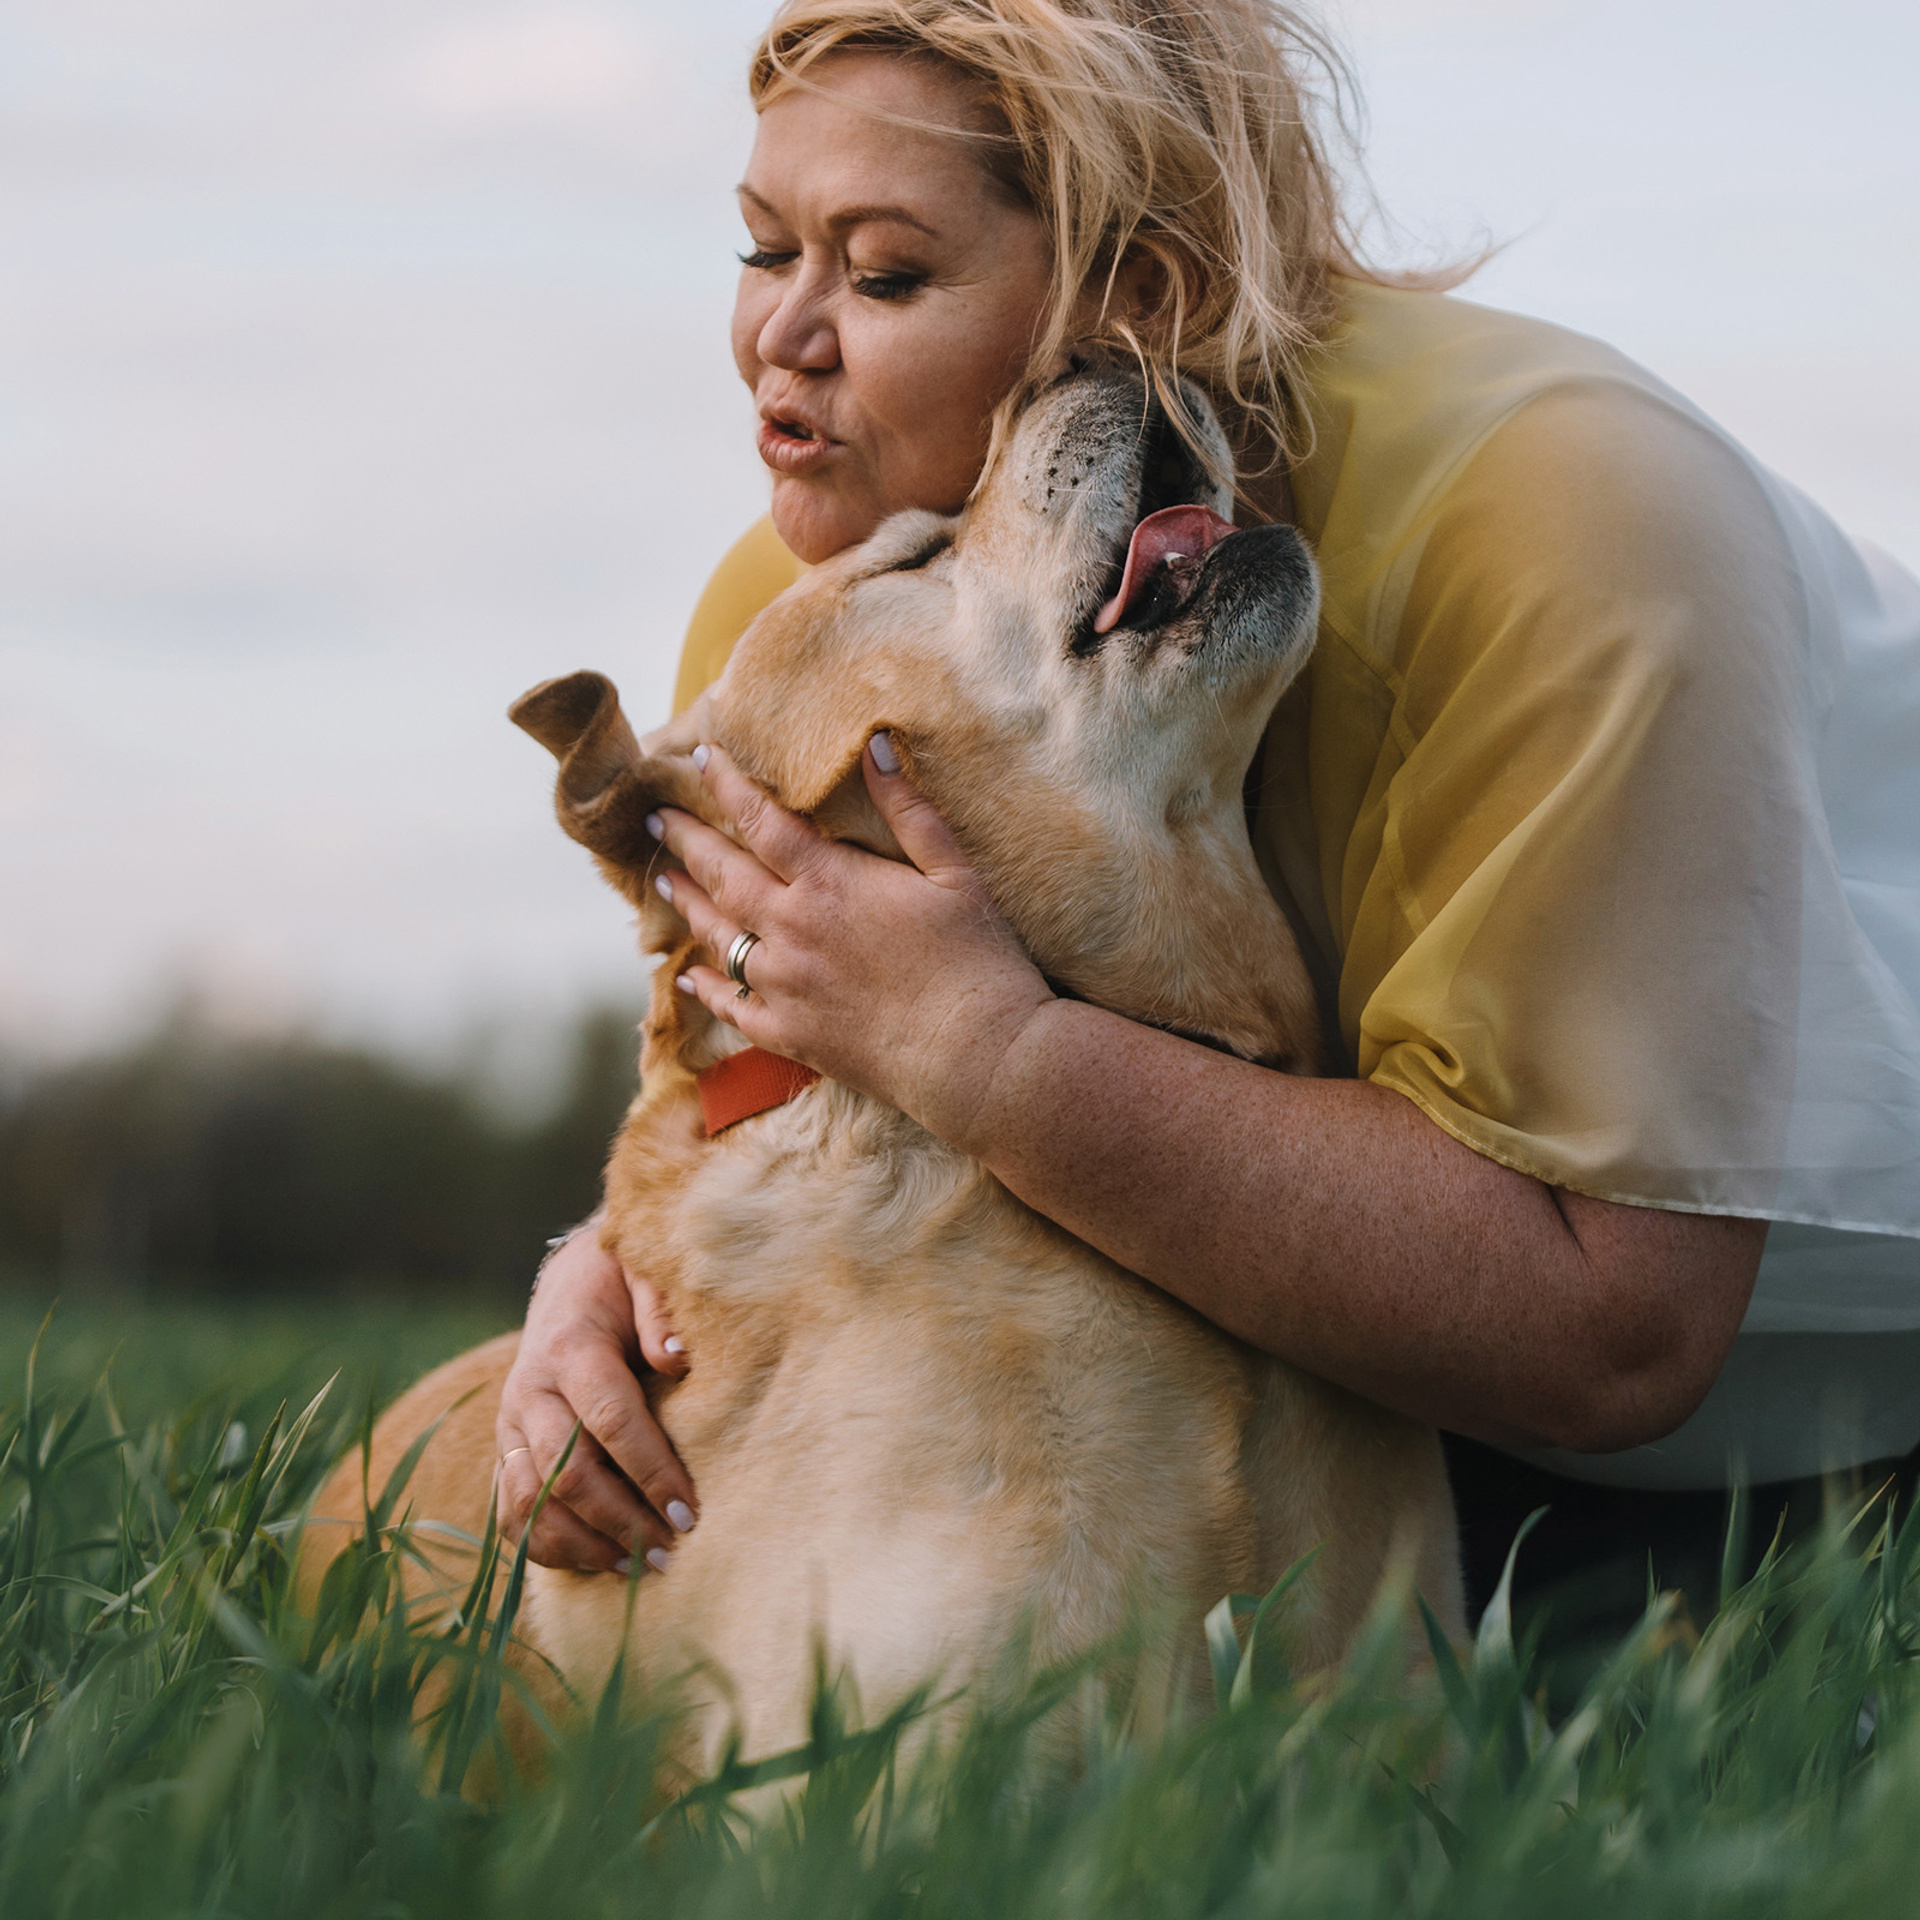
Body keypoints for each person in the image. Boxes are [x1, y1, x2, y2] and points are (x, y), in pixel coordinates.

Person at [495, 0, 1920, 1654]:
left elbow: (1615, 1319)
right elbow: (767, 1085)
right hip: (1380, 1391)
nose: (778, 340)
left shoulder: (1569, 519)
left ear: (1141, 289)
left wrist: (990, 1053)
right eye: (761, 250)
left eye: (883, 273)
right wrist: (604, 1283)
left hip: (1803, 1414)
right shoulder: (820, 598)